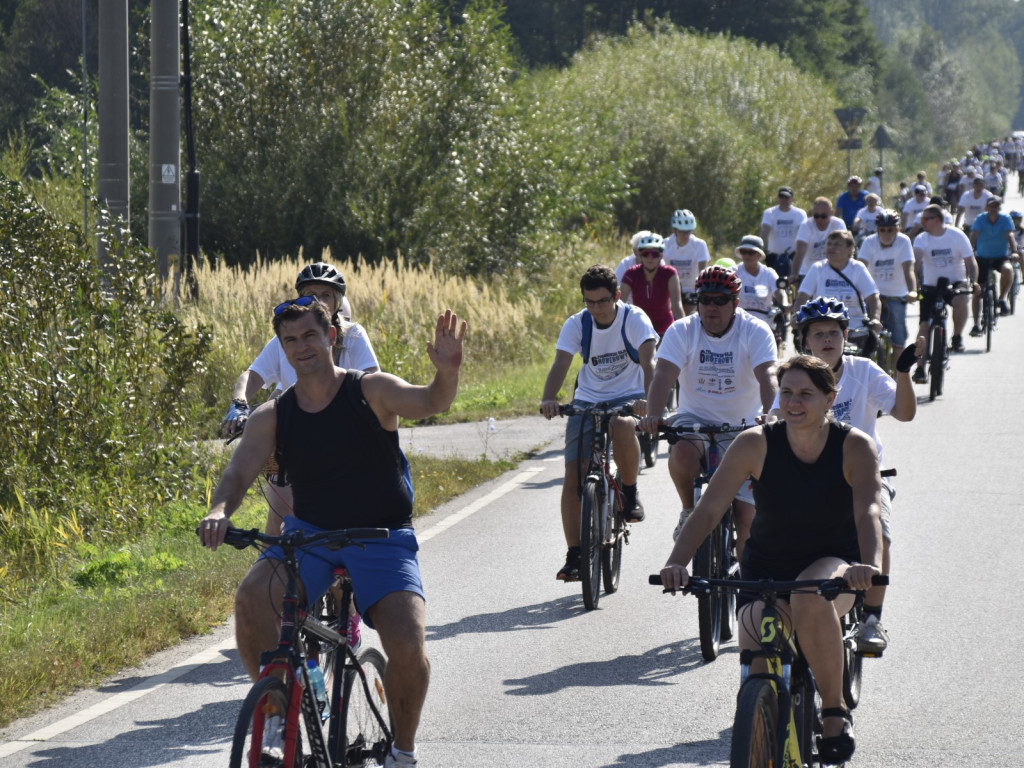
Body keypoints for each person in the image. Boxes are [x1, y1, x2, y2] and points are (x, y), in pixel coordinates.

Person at [200, 299, 467, 768]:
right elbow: (237, 474)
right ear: (282, 349)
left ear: (332, 337)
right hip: (311, 536)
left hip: (382, 536)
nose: (301, 347)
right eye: (290, 340)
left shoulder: (371, 391)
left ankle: (403, 752)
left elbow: (431, 401)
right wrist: (220, 510)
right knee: (251, 600)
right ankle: (279, 719)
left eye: (310, 336)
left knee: (407, 644)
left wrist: (446, 371)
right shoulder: (274, 415)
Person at [659, 355, 882, 765]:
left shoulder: (854, 446)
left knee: (810, 599)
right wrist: (677, 562)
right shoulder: (755, 442)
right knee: (759, 663)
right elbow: (708, 509)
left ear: (831, 399)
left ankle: (833, 711)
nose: (794, 403)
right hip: (765, 567)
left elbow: (868, 510)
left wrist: (867, 565)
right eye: (787, 393)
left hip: (833, 564)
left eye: (806, 395)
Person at [776, 299, 921, 654]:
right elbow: (773, 424)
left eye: (834, 333)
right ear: (805, 340)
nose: (827, 340)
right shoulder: (794, 376)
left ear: (845, 336)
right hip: (808, 475)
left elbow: (904, 413)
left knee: (880, 536)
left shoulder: (864, 371)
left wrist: (903, 374)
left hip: (864, 475)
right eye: (818, 334)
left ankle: (872, 618)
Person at [220, 262, 380, 534]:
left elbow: (372, 379)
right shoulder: (288, 339)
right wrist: (240, 403)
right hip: (295, 442)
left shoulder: (354, 336)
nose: (319, 302)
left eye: (326, 295)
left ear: (338, 302)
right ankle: (275, 569)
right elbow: (253, 376)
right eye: (310, 295)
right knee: (281, 516)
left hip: (348, 441)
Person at [638, 266, 778, 559]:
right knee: (682, 452)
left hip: (743, 427)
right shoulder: (682, 330)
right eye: (705, 300)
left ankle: (747, 590)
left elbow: (768, 376)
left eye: (720, 300)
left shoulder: (755, 330)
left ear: (735, 302)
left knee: (747, 517)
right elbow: (663, 375)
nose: (712, 307)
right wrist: (653, 413)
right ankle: (689, 510)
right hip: (695, 420)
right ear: (697, 302)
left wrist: (772, 414)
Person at [540, 265, 657, 580]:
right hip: (587, 399)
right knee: (573, 474)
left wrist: (649, 400)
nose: (596, 308)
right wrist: (548, 398)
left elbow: (649, 362)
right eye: (589, 302)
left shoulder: (634, 319)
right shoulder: (577, 323)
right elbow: (561, 363)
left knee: (622, 426)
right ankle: (575, 554)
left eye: (603, 301)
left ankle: (629, 492)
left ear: (617, 296)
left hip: (630, 396)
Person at [912, 204, 979, 379]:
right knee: (924, 326)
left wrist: (974, 281)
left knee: (961, 301)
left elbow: (970, 262)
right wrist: (915, 283)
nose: (922, 222)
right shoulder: (921, 239)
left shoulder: (956, 235)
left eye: (926, 219)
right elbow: (917, 261)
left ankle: (957, 336)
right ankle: (919, 368)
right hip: (930, 285)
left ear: (937, 220)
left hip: (956, 282)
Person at [794, 230, 881, 355]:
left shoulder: (857, 268)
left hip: (855, 328)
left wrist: (875, 319)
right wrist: (796, 316)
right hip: (823, 328)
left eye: (837, 244)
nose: (831, 248)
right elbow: (802, 296)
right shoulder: (817, 268)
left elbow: (873, 298)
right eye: (829, 244)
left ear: (850, 249)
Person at [857, 210, 918, 360]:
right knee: (862, 331)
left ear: (897, 229)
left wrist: (912, 291)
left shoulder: (903, 241)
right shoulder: (869, 242)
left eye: (890, 230)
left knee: (898, 335)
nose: (886, 233)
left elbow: (908, 269)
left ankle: (898, 376)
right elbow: (860, 268)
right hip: (872, 294)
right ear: (877, 230)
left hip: (896, 294)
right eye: (882, 230)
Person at [620, 233, 684, 338]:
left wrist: (684, 331)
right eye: (646, 254)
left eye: (655, 254)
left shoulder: (670, 273)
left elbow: (677, 306)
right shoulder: (631, 273)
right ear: (639, 255)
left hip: (665, 328)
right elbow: (620, 304)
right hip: (639, 327)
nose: (650, 258)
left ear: (661, 256)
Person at [968, 196, 1017, 332]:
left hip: (1000, 256)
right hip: (982, 257)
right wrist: (968, 251)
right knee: (978, 291)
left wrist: (1014, 251)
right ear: (986, 207)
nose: (993, 209)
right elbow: (974, 235)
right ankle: (976, 324)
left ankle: (1002, 298)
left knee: (1008, 269)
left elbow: (1010, 236)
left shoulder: (1005, 219)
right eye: (991, 206)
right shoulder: (980, 219)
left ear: (999, 207)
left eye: (996, 206)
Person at [733, 234, 787, 341]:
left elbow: (779, 292)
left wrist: (784, 305)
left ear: (759, 255)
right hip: (739, 322)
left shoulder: (769, 273)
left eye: (751, 252)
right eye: (744, 252)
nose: (747, 256)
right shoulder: (734, 272)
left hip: (765, 323)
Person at [662, 209, 710, 314]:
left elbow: (703, 271)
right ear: (675, 230)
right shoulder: (665, 244)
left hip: (691, 289)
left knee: (691, 315)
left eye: (688, 231)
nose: (685, 235)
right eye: (681, 232)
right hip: (670, 289)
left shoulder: (699, 244)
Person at [791, 197, 846, 282]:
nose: (819, 219)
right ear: (812, 213)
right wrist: (794, 274)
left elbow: (842, 249)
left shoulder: (838, 224)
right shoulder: (806, 225)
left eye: (823, 216)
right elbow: (800, 252)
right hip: (808, 272)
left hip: (832, 271)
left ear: (831, 213)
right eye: (816, 216)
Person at [760, 186, 807, 279]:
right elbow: (765, 232)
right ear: (778, 198)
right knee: (773, 281)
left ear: (792, 199)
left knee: (796, 279)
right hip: (773, 255)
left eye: (787, 197)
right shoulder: (770, 213)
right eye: (781, 196)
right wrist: (759, 249)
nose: (784, 199)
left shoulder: (799, 214)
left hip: (792, 255)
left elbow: (803, 233)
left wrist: (802, 252)